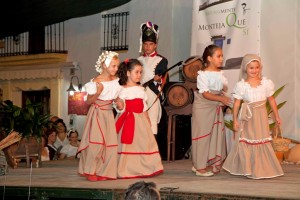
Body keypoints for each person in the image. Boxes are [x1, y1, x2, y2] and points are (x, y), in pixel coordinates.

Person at [222, 54, 284, 179]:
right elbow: (237, 103)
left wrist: (277, 115)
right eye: (251, 68)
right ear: (245, 68)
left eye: (256, 67)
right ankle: (248, 168)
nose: (254, 70)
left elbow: (271, 100)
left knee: (261, 139)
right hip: (248, 117)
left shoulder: (266, 83)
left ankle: (262, 168)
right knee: (248, 140)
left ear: (260, 68)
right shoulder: (242, 85)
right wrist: (235, 120)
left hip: (261, 116)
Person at [115, 59, 164, 178]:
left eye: (141, 72)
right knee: (128, 145)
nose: (139, 75)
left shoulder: (141, 89)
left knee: (144, 144)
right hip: (128, 120)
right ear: (127, 73)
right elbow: (119, 105)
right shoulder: (122, 89)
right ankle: (127, 169)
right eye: (136, 72)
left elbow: (144, 107)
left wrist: (148, 121)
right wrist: (120, 105)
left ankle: (144, 168)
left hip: (141, 121)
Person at [77, 51, 122, 181]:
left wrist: (119, 103)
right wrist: (98, 92)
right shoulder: (96, 81)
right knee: (95, 143)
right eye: (113, 66)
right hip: (97, 113)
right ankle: (91, 171)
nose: (116, 68)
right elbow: (89, 101)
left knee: (109, 144)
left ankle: (104, 171)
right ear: (104, 65)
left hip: (108, 114)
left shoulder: (116, 81)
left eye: (117, 66)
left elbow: (116, 97)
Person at [191, 44, 231, 177]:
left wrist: (223, 98)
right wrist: (221, 99)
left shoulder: (220, 74)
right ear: (209, 58)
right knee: (202, 136)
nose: (221, 59)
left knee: (214, 135)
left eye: (222, 56)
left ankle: (208, 162)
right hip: (203, 107)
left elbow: (221, 90)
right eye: (218, 56)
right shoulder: (203, 75)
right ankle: (199, 167)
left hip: (215, 106)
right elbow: (205, 94)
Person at [137, 21, 168, 138]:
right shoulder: (138, 60)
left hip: (152, 93)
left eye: (150, 44)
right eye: (145, 44)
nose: (148, 47)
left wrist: (156, 79)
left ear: (155, 45)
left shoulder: (162, 60)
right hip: (139, 93)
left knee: (152, 122)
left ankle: (152, 151)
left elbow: (161, 76)